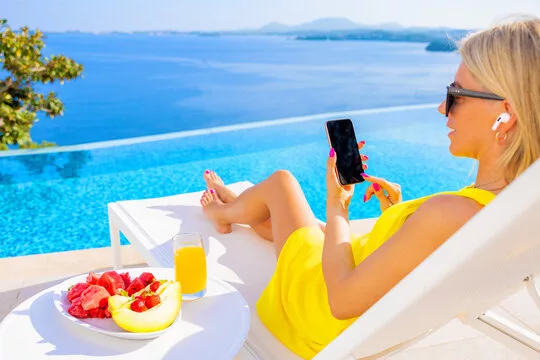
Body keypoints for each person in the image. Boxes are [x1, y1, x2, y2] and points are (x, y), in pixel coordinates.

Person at [199, 17, 540, 359]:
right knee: (297, 225)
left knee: (282, 184)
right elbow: (420, 257)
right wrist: (399, 217)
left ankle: (223, 211)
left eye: (455, 96)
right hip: (366, 295)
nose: (442, 108)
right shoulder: (509, 209)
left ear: (504, 115)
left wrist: (337, 207)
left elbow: (341, 301)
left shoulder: (450, 214)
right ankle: (244, 206)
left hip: (317, 312)